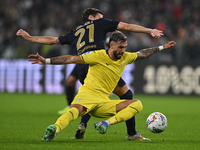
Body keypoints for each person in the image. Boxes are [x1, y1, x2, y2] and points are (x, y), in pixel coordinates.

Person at [16, 8, 163, 140]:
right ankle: (131, 134)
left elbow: (51, 40)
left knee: (90, 97)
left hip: (82, 67)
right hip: (99, 63)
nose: (102, 18)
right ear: (92, 17)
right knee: (126, 95)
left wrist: (29, 38)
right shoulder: (99, 23)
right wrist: (150, 30)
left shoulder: (74, 33)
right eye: (100, 16)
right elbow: (127, 26)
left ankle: (82, 124)